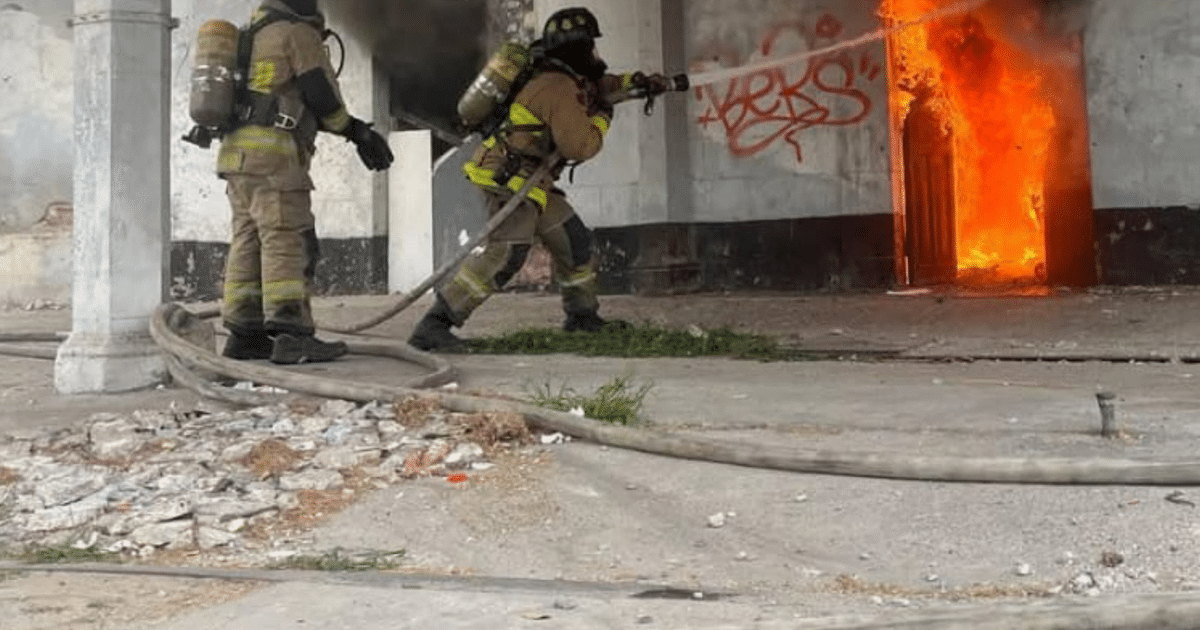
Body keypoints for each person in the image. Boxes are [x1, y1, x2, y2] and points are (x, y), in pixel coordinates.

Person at [408, 6, 673, 352]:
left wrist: (637, 83)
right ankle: (434, 325)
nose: (596, 53)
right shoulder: (556, 87)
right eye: (591, 46)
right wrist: (604, 117)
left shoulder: (569, 78)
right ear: (578, 49)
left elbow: (602, 85)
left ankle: (582, 317)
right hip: (507, 178)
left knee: (572, 239)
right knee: (506, 254)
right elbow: (580, 145)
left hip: (533, 181)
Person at [216, 0, 394, 364]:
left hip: (236, 156)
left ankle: (244, 335)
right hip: (274, 159)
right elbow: (320, 96)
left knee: (248, 240)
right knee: (287, 240)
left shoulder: (249, 34)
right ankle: (292, 336)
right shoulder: (297, 33)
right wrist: (358, 132)